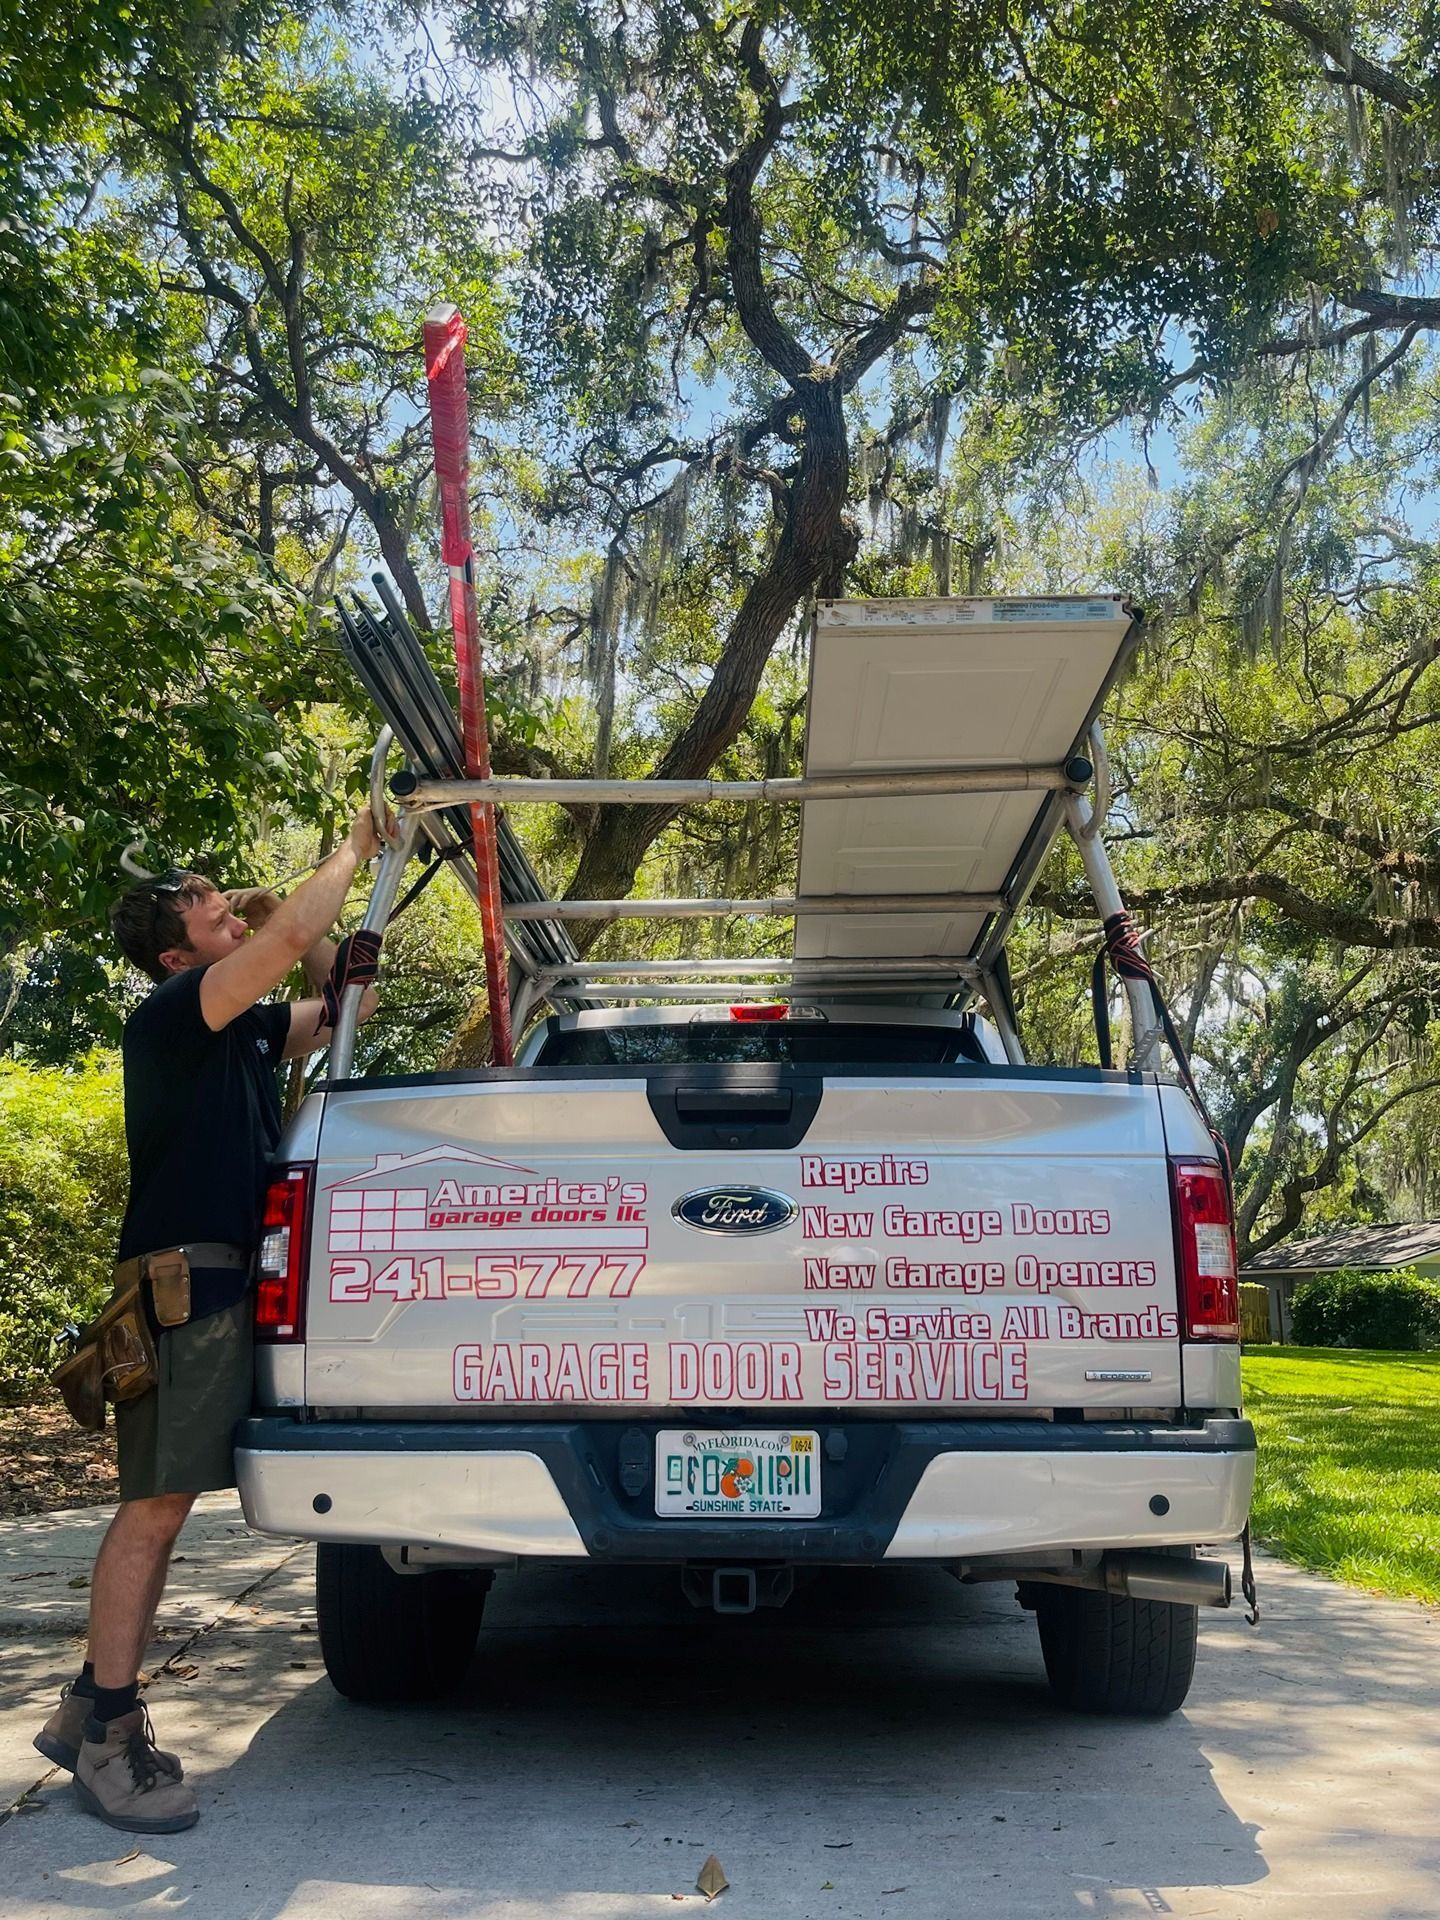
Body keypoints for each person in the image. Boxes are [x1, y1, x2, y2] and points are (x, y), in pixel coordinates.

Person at [34, 805, 387, 1835]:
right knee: (153, 1506)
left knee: (166, 1504)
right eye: (203, 901)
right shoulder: (178, 1013)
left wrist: (302, 916)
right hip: (183, 1288)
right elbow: (279, 955)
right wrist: (352, 850)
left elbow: (342, 999)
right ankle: (105, 1729)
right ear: (174, 947)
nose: (223, 901)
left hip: (226, 1285)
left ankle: (84, 1710)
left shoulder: (233, 1032)